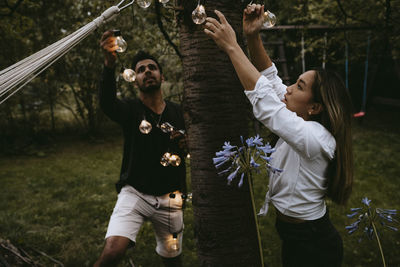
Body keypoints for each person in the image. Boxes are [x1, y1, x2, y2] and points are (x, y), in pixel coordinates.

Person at [204, 5, 353, 267]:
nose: (289, 88)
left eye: (299, 86)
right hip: (295, 235)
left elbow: (267, 104)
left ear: (315, 107)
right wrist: (252, 36)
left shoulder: (315, 137)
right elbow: (270, 80)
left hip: (314, 244)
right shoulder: (302, 120)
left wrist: (232, 47)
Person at [94, 30, 187, 267]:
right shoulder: (130, 110)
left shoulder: (178, 113)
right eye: (141, 70)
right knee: (112, 253)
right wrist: (108, 64)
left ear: (161, 77)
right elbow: (106, 103)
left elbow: (192, 145)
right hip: (135, 192)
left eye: (152, 68)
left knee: (172, 260)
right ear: (134, 79)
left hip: (171, 198)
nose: (147, 72)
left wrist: (188, 143)